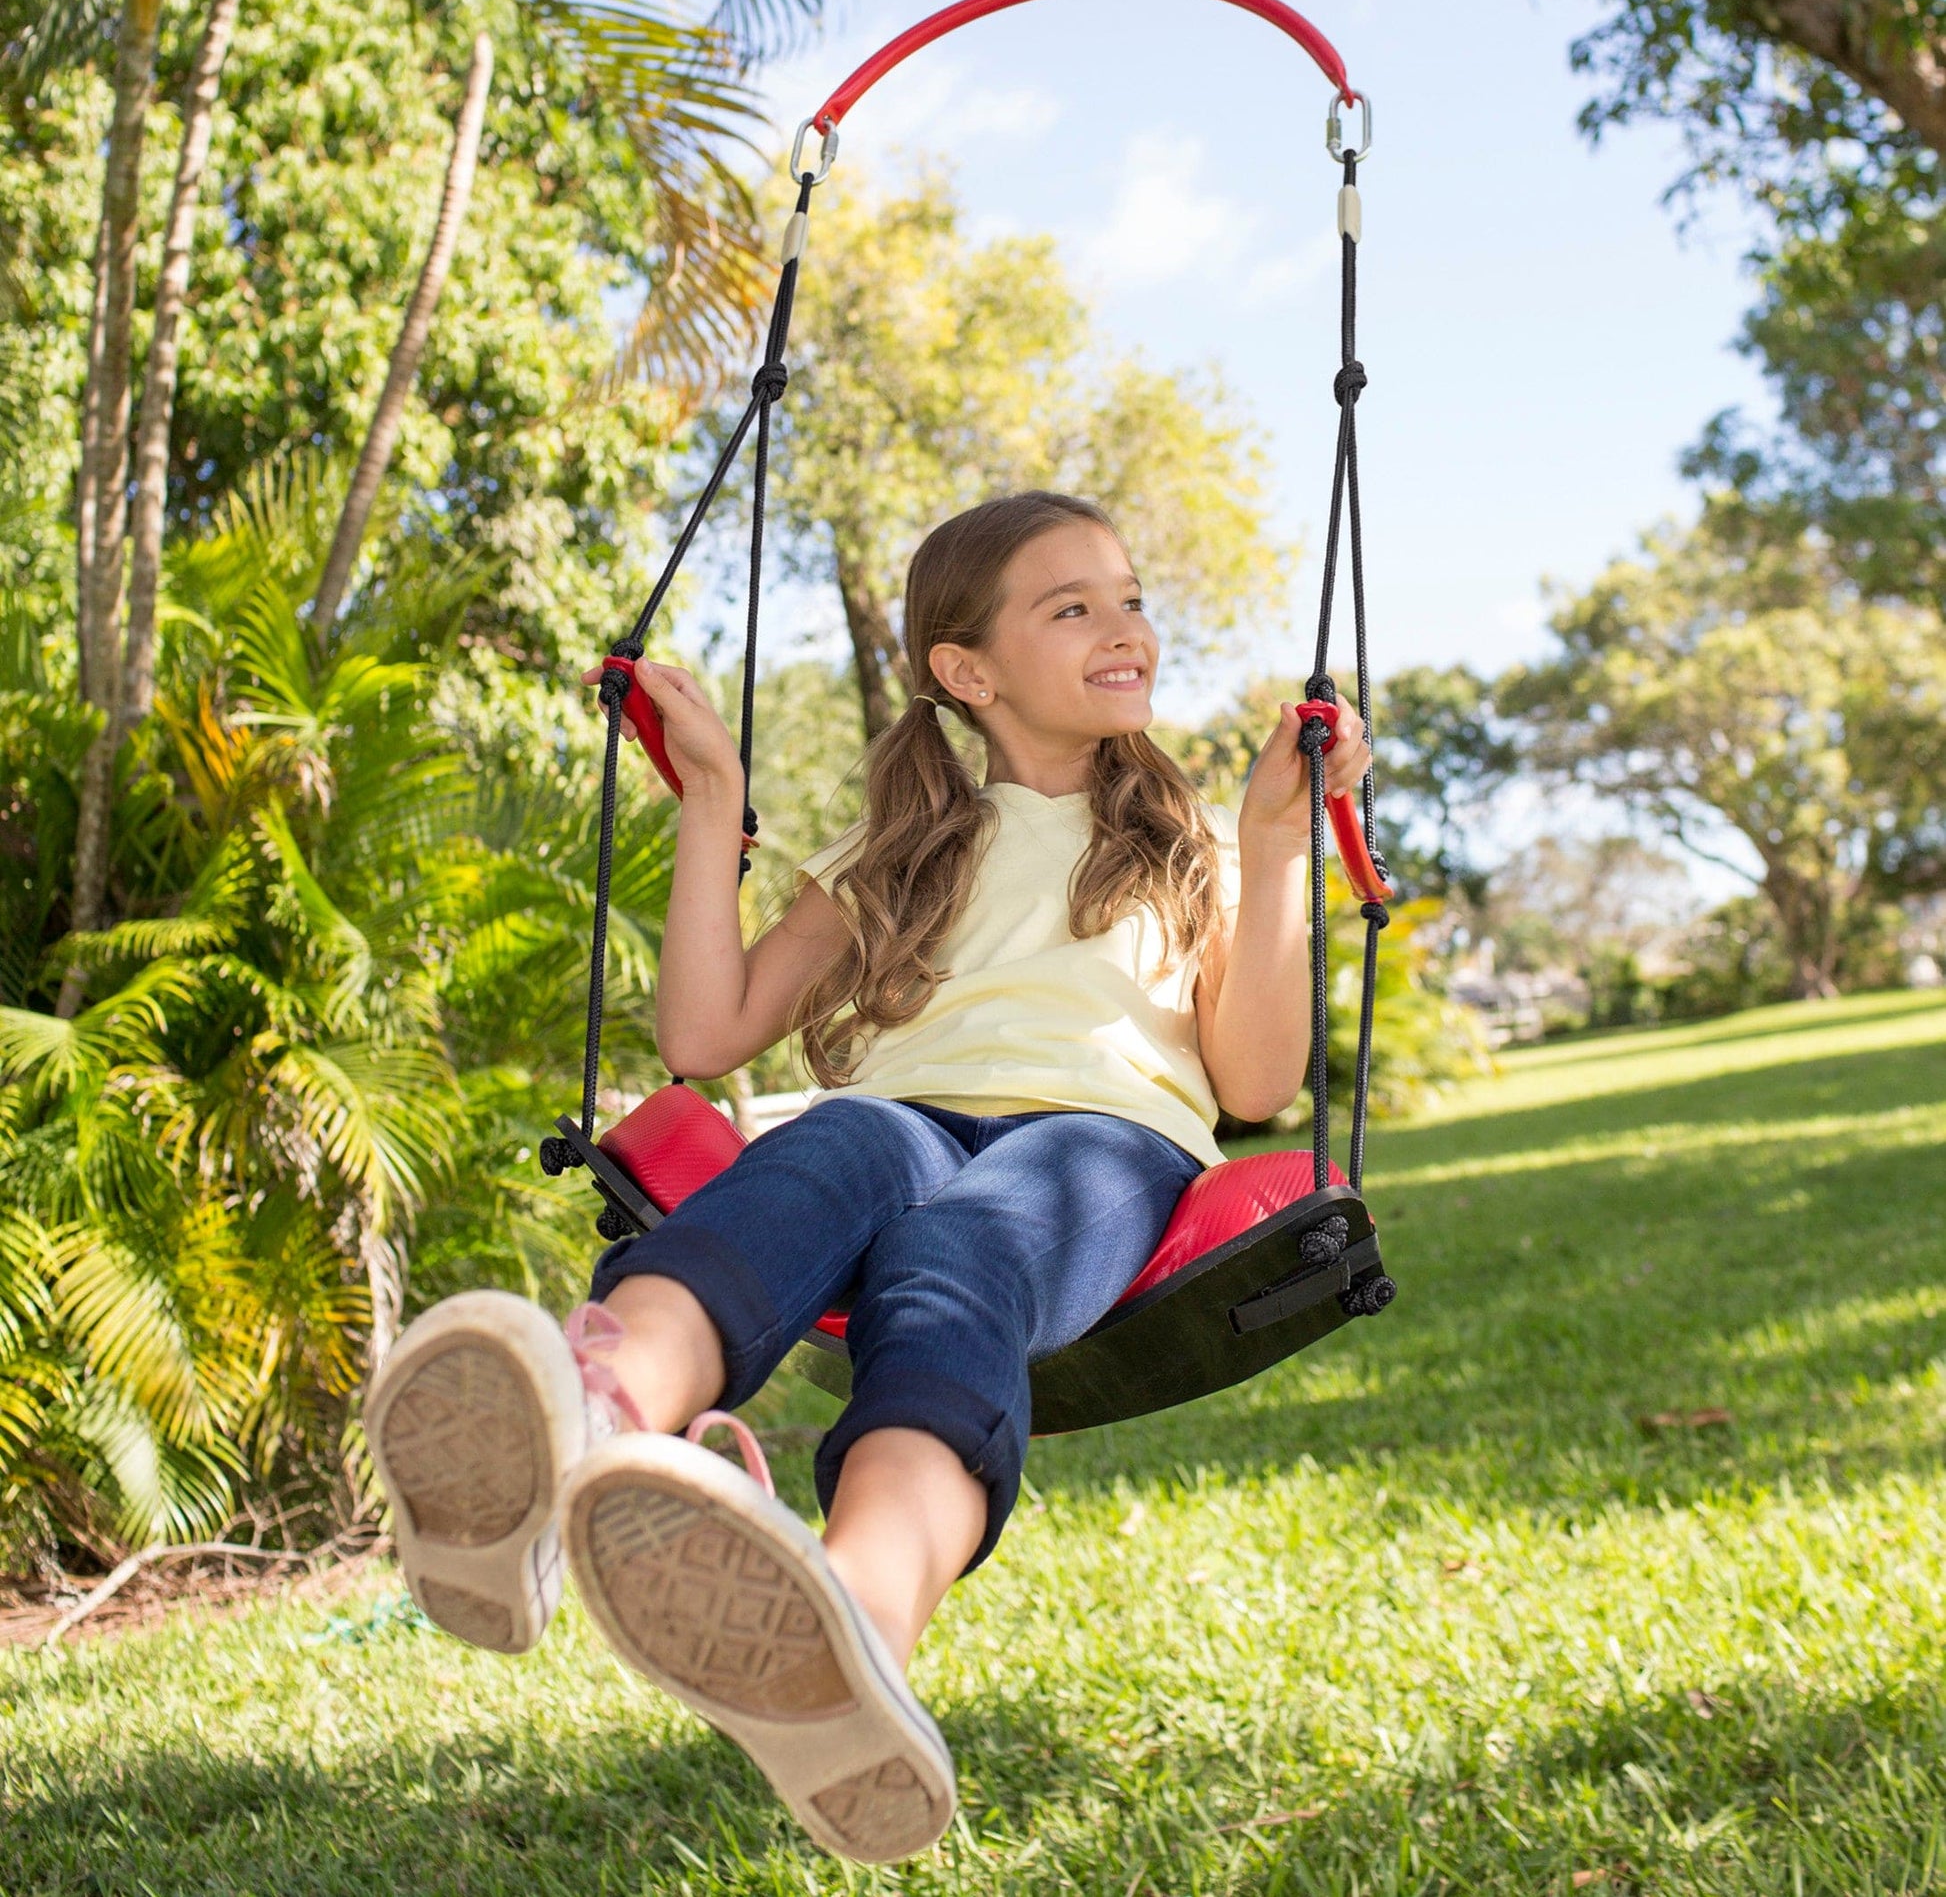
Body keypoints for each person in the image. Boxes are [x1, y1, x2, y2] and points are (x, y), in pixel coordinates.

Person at [366, 491, 1370, 1864]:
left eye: (1127, 597)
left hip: (1098, 1144)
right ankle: (581, 1417)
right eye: (1069, 606)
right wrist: (712, 802)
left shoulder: (1185, 843)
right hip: (901, 1118)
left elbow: (1252, 1084)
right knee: (828, 1147)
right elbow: (707, 1036)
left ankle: (852, 1620)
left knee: (954, 1261)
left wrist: (1271, 839)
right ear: (967, 672)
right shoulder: (897, 851)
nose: (1122, 626)